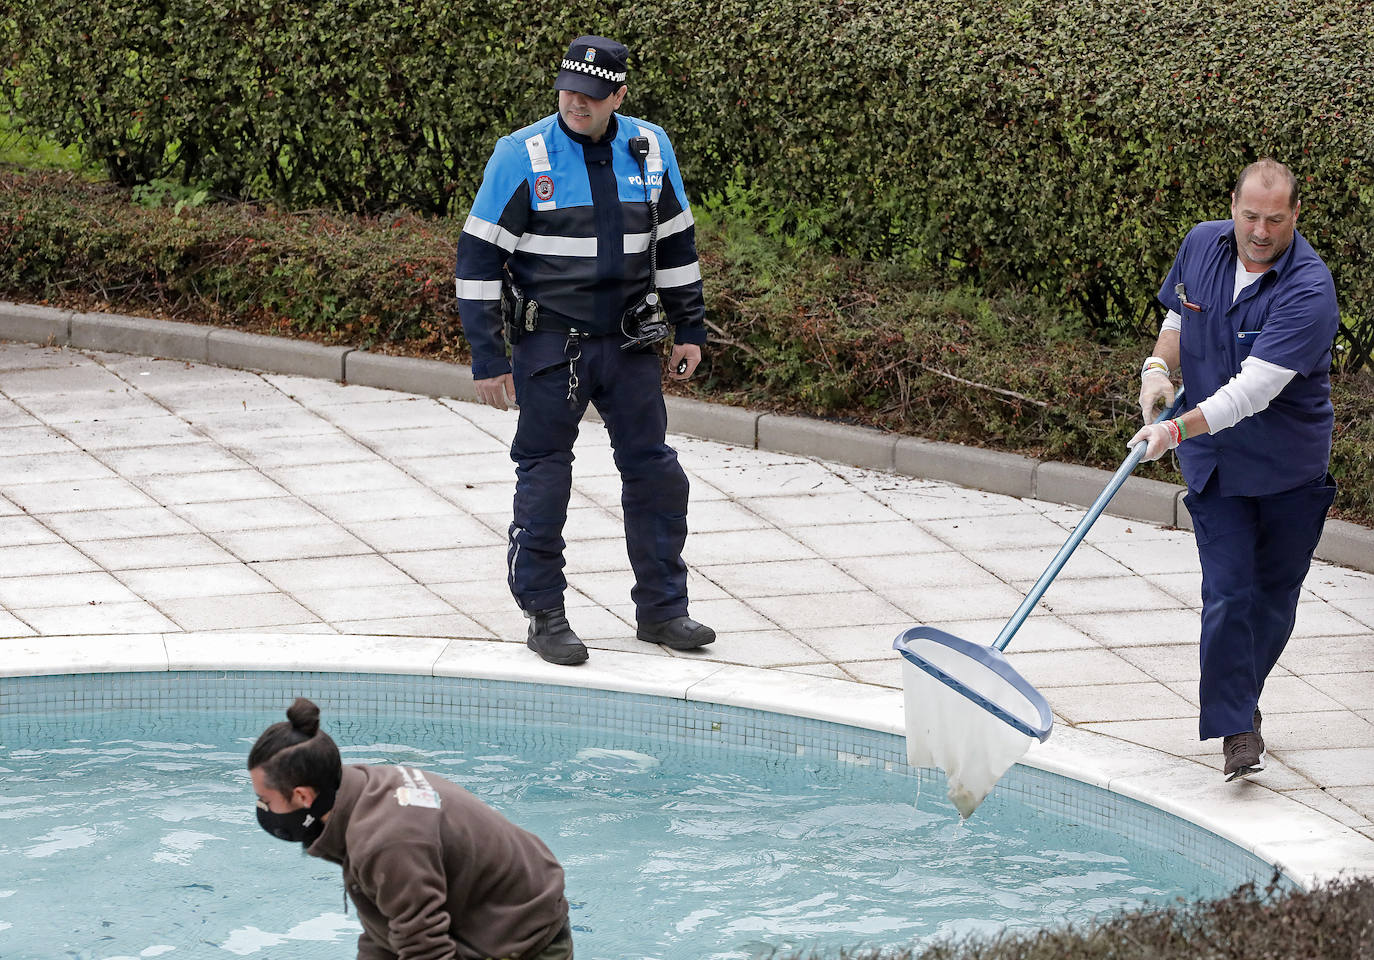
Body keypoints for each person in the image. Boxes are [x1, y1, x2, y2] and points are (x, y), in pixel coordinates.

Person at [453, 34, 715, 666]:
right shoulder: (523, 154)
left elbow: (676, 244)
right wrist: (488, 359)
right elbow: (478, 258)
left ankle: (663, 610)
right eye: (568, 91)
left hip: (629, 343)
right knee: (545, 477)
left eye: (592, 95)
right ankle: (545, 614)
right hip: (551, 346)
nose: (576, 103)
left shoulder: (650, 148)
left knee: (655, 473)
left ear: (618, 96)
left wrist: (690, 328)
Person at [1131, 158, 1339, 782]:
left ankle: (1240, 700)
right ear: (1233, 206)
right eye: (1250, 215)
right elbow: (1177, 316)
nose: (1260, 230)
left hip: (1287, 467)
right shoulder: (1202, 244)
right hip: (1216, 467)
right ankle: (1237, 727)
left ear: (1295, 216)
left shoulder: (1309, 289)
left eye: (1275, 219)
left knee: (1272, 600)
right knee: (1227, 592)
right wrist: (1159, 369)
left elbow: (1250, 393)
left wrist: (1172, 429)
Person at [248, 698, 573, 960]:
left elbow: (426, 951)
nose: (263, 808)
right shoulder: (363, 789)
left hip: (522, 937)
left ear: (303, 795)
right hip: (504, 904)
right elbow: (388, 931)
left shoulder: (385, 842)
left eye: (266, 798)